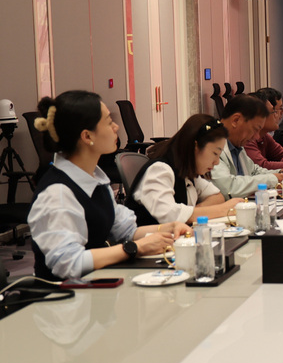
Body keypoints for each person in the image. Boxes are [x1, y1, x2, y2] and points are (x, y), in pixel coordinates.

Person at [27, 90, 185, 281]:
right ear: (87, 136)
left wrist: (169, 228)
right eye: (109, 122)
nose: (116, 127)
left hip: (94, 286)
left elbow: (126, 231)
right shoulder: (58, 192)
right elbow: (68, 263)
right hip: (63, 295)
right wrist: (135, 248)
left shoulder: (95, 179)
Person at [127, 114, 242, 226]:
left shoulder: (187, 171)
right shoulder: (159, 170)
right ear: (195, 146)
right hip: (148, 238)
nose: (217, 162)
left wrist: (193, 213)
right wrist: (222, 210)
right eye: (215, 153)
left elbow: (217, 196)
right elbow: (171, 216)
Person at [211, 94, 283, 198]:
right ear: (236, 120)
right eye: (255, 129)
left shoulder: (237, 144)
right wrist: (272, 179)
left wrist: (280, 173)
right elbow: (229, 188)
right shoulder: (211, 144)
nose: (257, 137)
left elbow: (253, 171)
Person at [244, 88, 283, 171]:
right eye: (274, 111)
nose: (278, 114)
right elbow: (262, 166)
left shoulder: (265, 137)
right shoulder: (247, 139)